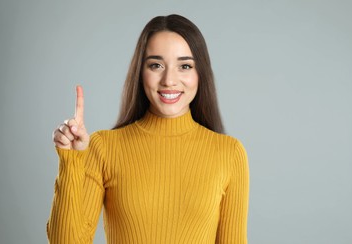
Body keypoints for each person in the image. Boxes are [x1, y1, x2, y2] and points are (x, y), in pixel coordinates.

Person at [47, 14, 249, 243]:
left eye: (184, 66)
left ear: (200, 73)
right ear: (140, 73)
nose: (169, 80)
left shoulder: (229, 153)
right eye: (156, 65)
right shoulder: (103, 147)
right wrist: (71, 160)